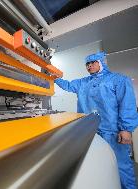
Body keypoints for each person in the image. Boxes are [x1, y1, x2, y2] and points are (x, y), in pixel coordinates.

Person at [55, 51, 138, 189]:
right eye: (87, 64)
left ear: (101, 63)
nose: (89, 66)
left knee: (121, 165)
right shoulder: (83, 82)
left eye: (93, 63)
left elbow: (127, 104)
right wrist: (53, 77)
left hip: (112, 132)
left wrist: (126, 129)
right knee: (99, 164)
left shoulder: (118, 79)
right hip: (90, 131)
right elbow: (68, 85)